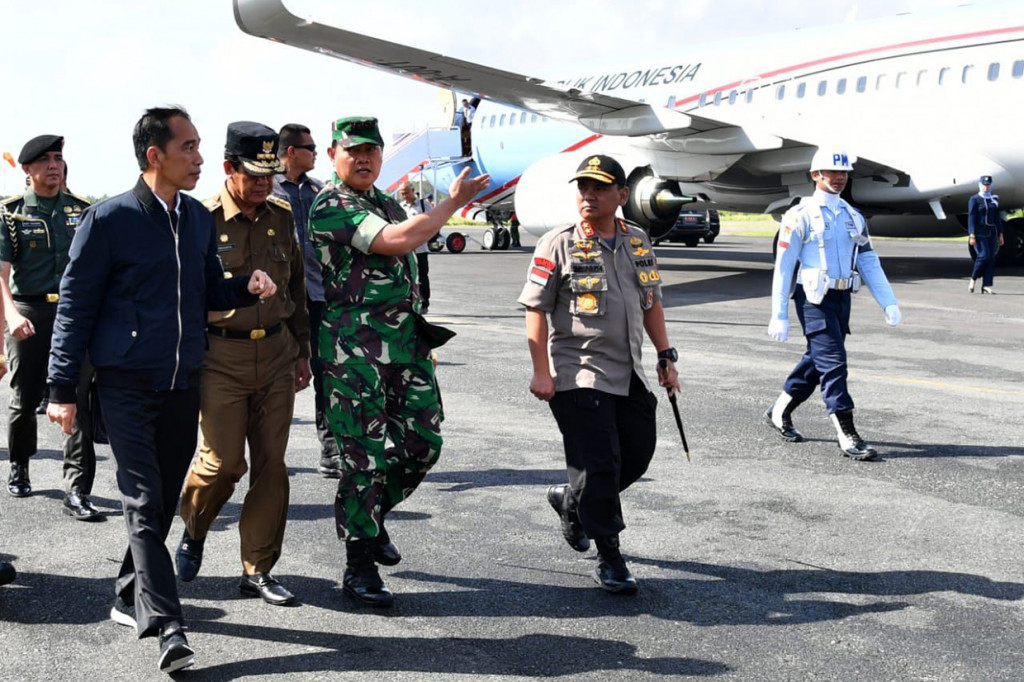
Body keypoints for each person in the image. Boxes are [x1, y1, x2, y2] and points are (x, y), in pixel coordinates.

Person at [46, 106, 277, 674]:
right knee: (145, 499)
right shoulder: (108, 220)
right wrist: (60, 386)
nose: (201, 158)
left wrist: (244, 286)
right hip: (124, 382)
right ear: (156, 155)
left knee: (161, 499)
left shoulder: (197, 219)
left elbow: (204, 288)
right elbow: (75, 306)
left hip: (182, 380)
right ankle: (167, 624)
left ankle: (128, 592)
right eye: (190, 147)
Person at [308, 116, 489, 607]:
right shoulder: (332, 204)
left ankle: (371, 516)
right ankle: (359, 563)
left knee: (423, 444)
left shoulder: (386, 203)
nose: (363, 158)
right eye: (353, 151)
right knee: (362, 459)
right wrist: (451, 203)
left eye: (372, 150)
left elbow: (408, 246)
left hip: (406, 347)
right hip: (355, 352)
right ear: (333, 156)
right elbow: (398, 241)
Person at [518, 154, 680, 595]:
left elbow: (651, 302)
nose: (588, 196)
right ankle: (610, 557)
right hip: (578, 373)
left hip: (630, 371)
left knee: (637, 454)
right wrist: (541, 372)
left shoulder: (638, 240)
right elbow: (535, 308)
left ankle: (572, 499)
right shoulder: (558, 243)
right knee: (601, 464)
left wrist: (666, 356)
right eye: (583, 188)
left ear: (622, 196)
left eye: (599, 188)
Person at [176, 122, 311, 606]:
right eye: (254, 174)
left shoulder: (281, 213)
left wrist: (303, 350)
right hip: (221, 357)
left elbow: (294, 284)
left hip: (276, 355)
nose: (264, 183)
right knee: (225, 462)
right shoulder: (199, 218)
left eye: (270, 174)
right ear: (229, 167)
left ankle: (258, 569)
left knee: (272, 466)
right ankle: (193, 527)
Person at [765, 148, 901, 461]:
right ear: (816, 175)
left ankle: (779, 411)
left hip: (841, 298)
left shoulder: (853, 216)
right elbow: (784, 267)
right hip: (813, 299)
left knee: (818, 361)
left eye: (843, 173)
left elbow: (868, 261)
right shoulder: (799, 215)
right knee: (834, 363)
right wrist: (779, 314)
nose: (839, 178)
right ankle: (847, 433)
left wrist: (888, 301)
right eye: (831, 172)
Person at [0, 134, 99, 520]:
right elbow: (2, 274)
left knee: (78, 399)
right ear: (27, 169)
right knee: (24, 398)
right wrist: (11, 315)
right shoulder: (10, 213)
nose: (53, 165)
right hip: (29, 312)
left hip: (73, 316)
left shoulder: (83, 210)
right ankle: (20, 463)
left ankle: (76, 489)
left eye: (58, 158)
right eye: (44, 160)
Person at [272, 123, 342, 478]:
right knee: (276, 379)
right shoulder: (265, 189)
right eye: (310, 147)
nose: (316, 152)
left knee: (325, 373)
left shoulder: (319, 192)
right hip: (276, 301)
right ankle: (271, 455)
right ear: (290, 152)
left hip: (317, 295)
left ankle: (330, 452)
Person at [398, 182, 434, 313]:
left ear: (413, 190)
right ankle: (409, 302)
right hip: (405, 248)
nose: (404, 196)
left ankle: (425, 302)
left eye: (406, 192)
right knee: (406, 275)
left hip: (420, 247)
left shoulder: (424, 205)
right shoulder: (400, 207)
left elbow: (433, 222)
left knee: (422, 276)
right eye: (402, 193)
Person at [967, 175, 1004, 294]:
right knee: (984, 256)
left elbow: (997, 218)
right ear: (980, 185)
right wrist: (972, 234)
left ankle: (987, 285)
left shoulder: (993, 199)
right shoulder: (974, 199)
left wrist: (1000, 233)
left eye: (988, 185)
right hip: (979, 233)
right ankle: (973, 278)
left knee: (992, 258)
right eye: (984, 185)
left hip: (992, 232)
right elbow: (971, 217)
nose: (986, 187)